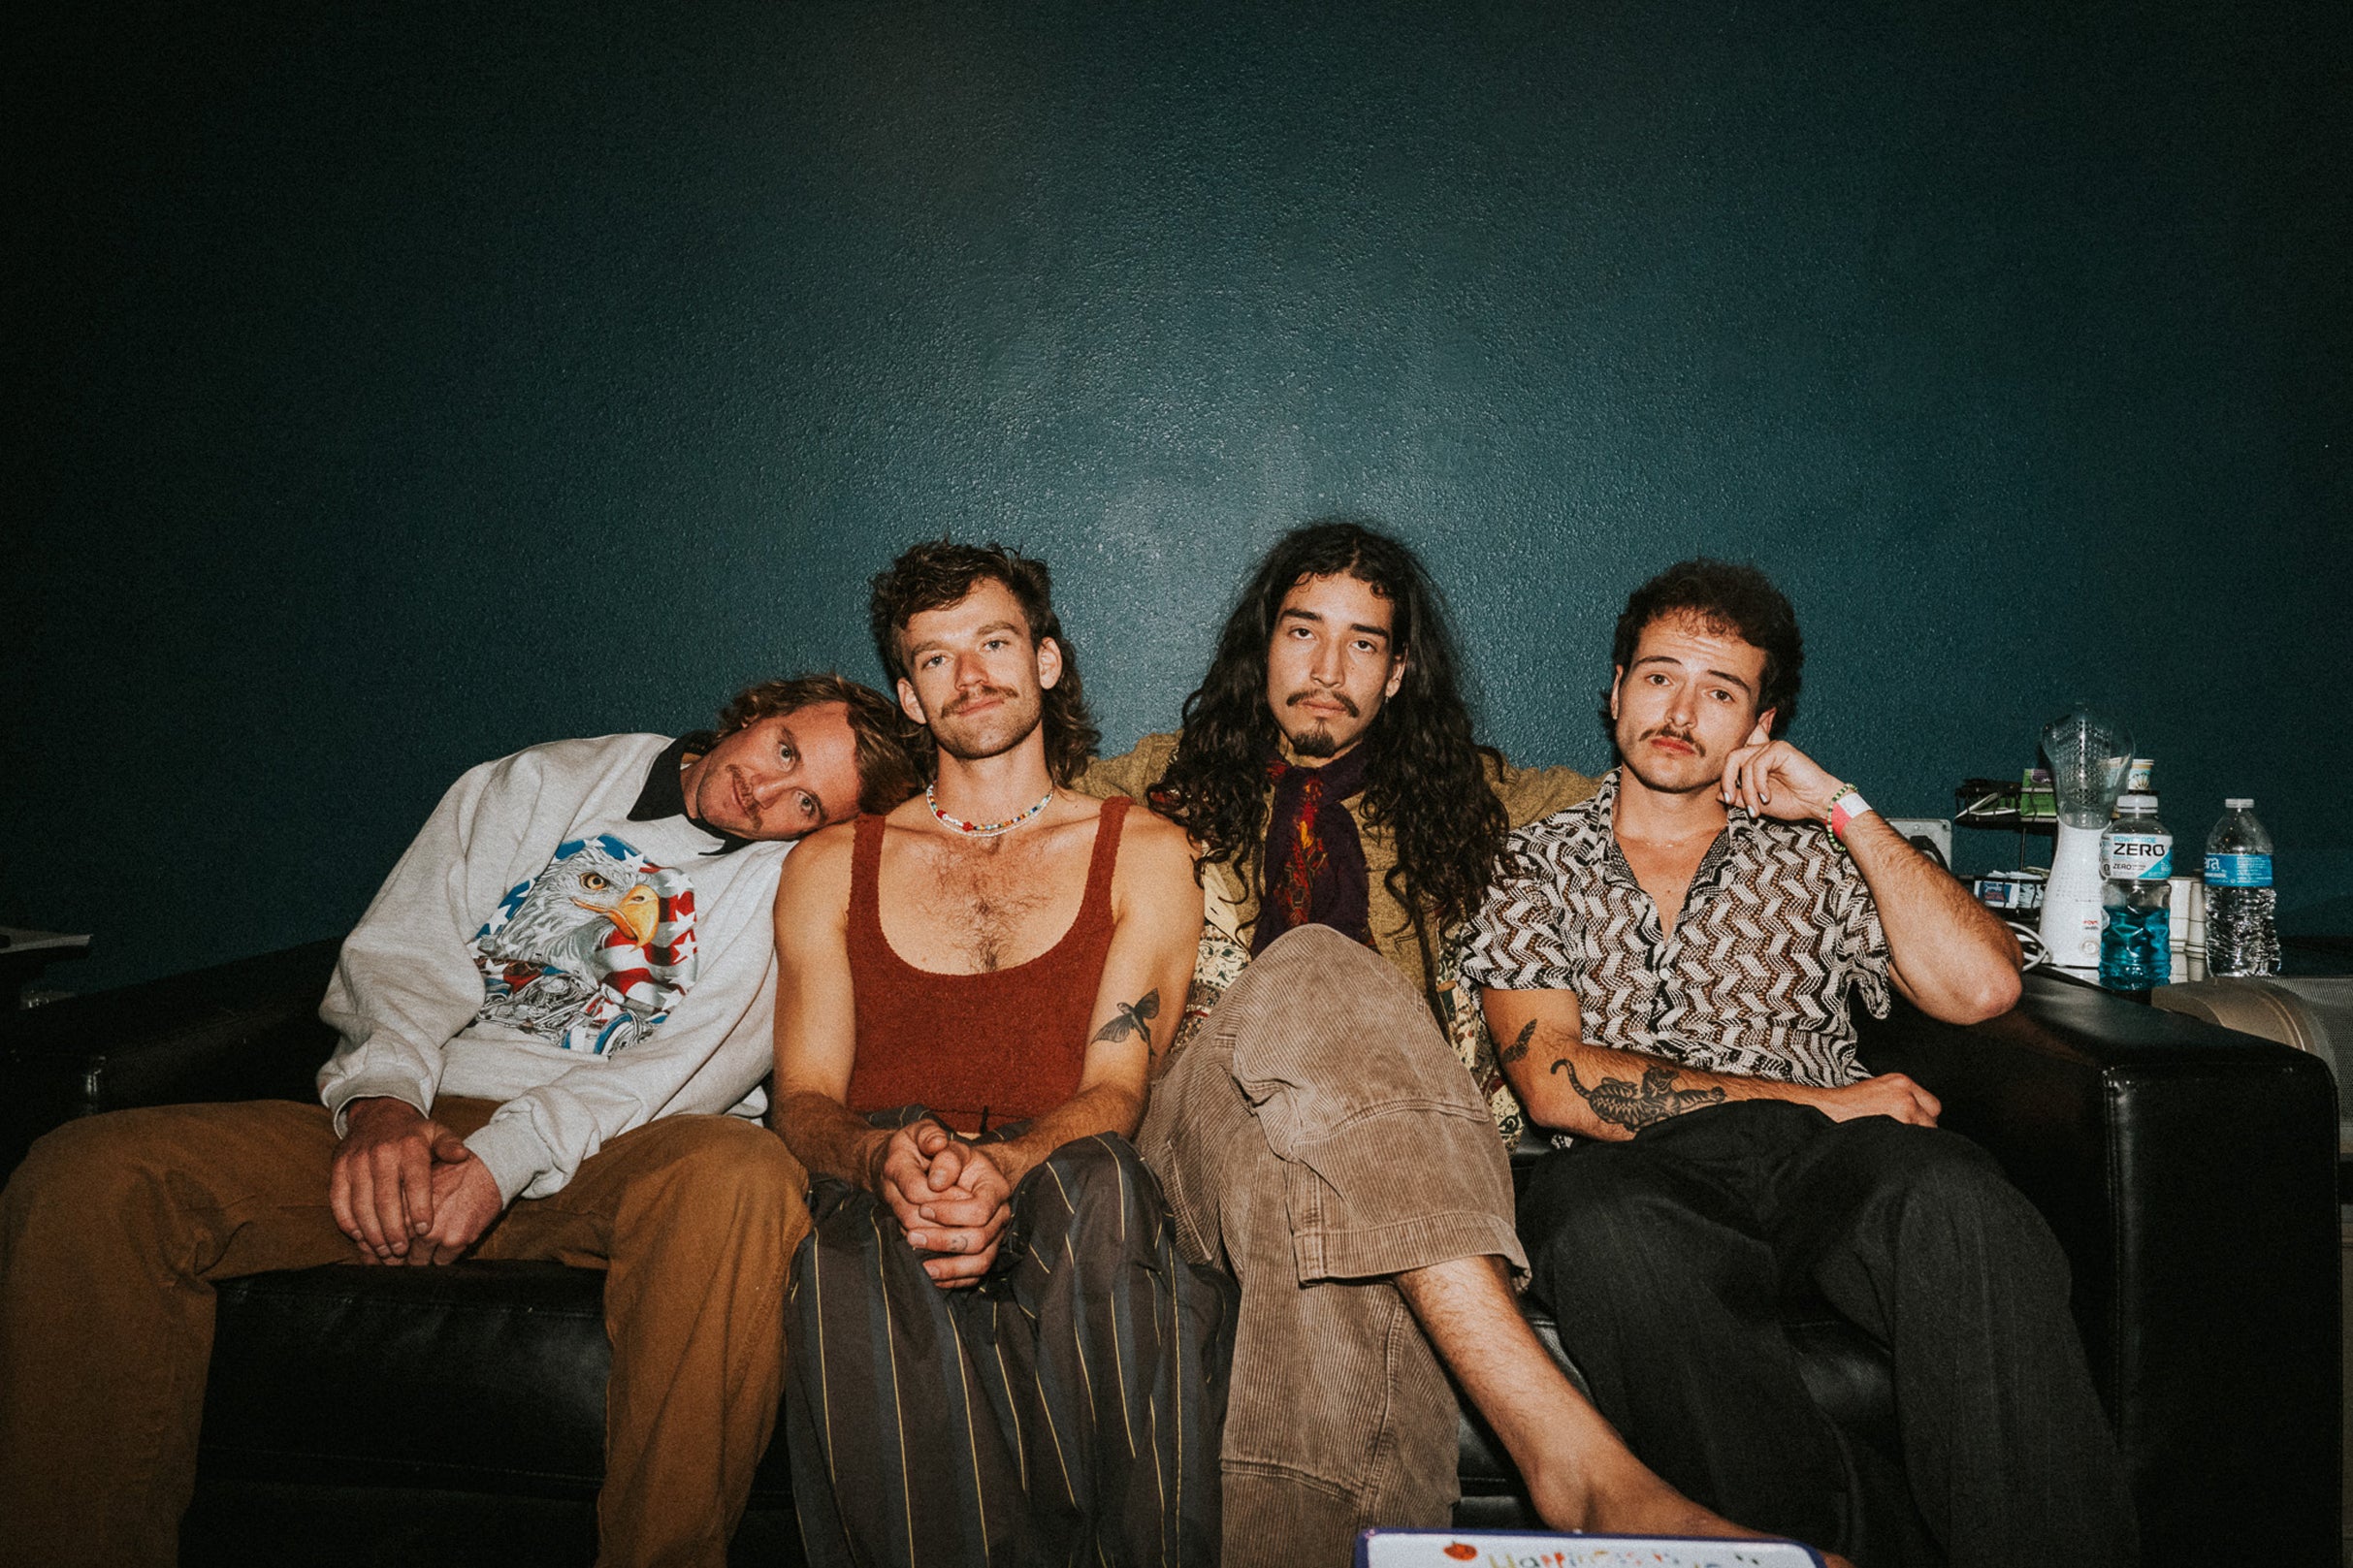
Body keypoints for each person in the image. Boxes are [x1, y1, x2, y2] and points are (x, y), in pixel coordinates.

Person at [0, 674, 926, 1568]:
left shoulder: (790, 884)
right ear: (757, 712)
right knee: (91, 1174)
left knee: (740, 1174)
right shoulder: (545, 781)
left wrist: (505, 1157)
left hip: (602, 1152)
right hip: (419, 1107)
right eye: (784, 749)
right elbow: (404, 955)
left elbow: (683, 1071)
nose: (767, 791)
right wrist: (383, 1104)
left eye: (808, 804)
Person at [1082, 522, 1811, 1567]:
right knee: (1317, 964)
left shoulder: (1474, 800)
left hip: (1381, 1166)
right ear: (1262, 644)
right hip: (1196, 1136)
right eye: (1303, 631)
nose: (1328, 668)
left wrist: (1799, 788)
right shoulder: (1154, 782)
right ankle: (1566, 1453)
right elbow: (983, 790)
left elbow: (1658, 780)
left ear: (1398, 672)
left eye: (1364, 643)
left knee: (1316, 1225)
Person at [1463, 558, 2137, 1567]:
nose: (1678, 712)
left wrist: (1841, 808)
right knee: (1601, 1225)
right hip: (1633, 1170)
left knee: (1956, 1198)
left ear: (1761, 723)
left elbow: (1983, 989)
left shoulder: (1817, 856)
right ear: (1614, 691)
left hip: (1829, 1170)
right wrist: (1825, 1103)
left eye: (1719, 692)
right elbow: (1555, 1081)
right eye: (1658, 677)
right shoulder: (1530, 862)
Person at [772, 541, 1231, 1567]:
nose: (970, 675)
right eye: (936, 659)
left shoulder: (1144, 850)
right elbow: (800, 1098)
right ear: (909, 695)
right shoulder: (829, 866)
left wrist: (1007, 1164)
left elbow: (1115, 1086)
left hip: (1060, 1166)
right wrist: (879, 1159)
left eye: (993, 643)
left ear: (1046, 661)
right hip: (890, 1171)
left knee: (1106, 1187)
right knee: (849, 1250)